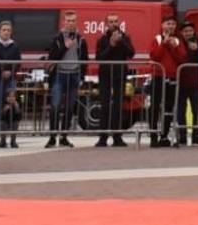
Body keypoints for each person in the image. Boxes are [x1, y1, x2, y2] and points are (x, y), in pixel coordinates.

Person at [44, 11, 87, 148]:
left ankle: (64, 137)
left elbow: (84, 59)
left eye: (73, 20)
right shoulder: (57, 38)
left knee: (69, 108)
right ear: (64, 22)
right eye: (68, 21)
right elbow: (53, 56)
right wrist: (65, 47)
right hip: (59, 75)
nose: (70, 23)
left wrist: (82, 76)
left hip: (74, 75)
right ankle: (52, 137)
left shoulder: (81, 39)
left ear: (76, 22)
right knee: (55, 106)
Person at [95, 14, 133, 148]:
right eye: (111, 21)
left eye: (116, 21)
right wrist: (111, 45)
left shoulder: (125, 38)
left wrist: (120, 41)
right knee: (105, 105)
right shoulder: (102, 40)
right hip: (105, 75)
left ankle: (117, 137)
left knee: (118, 106)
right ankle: (103, 138)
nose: (113, 23)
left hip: (120, 74)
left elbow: (131, 53)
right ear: (106, 24)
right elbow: (99, 58)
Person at [147, 18, 183, 148]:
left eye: (173, 24)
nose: (171, 26)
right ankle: (153, 136)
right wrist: (164, 43)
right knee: (155, 107)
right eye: (168, 23)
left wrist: (173, 47)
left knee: (168, 108)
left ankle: (164, 135)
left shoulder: (178, 41)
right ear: (162, 25)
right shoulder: (157, 39)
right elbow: (155, 56)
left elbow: (182, 58)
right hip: (158, 76)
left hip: (172, 77)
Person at [174, 21, 198, 148]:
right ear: (181, 33)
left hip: (195, 83)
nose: (188, 33)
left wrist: (197, 49)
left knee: (196, 110)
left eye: (190, 31)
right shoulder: (178, 43)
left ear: (194, 31)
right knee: (180, 111)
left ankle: (195, 137)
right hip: (181, 82)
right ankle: (182, 137)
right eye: (185, 31)